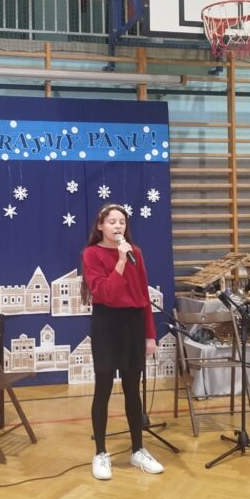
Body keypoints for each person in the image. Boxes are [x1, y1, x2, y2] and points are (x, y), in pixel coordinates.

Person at [81, 203, 164, 480]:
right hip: (106, 323)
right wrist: (119, 261)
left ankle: (138, 449)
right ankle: (100, 453)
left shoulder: (135, 253)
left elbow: (143, 295)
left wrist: (150, 334)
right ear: (100, 226)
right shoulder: (91, 254)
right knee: (103, 387)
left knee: (132, 389)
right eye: (112, 222)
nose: (118, 226)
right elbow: (104, 292)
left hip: (133, 323)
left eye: (122, 222)